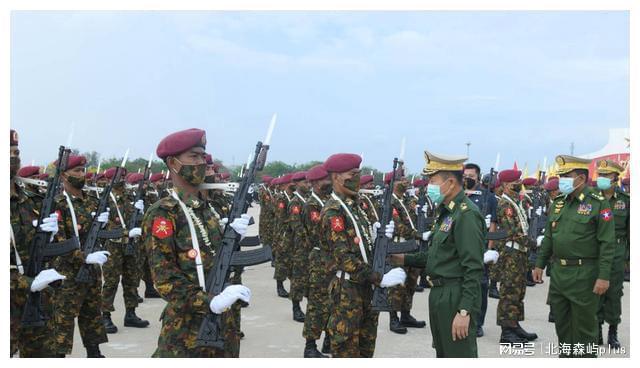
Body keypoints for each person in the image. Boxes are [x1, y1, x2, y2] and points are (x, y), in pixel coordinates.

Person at [141, 128, 250, 357]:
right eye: (194, 156)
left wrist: (231, 239)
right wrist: (209, 302)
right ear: (173, 163)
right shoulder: (164, 213)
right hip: (187, 331)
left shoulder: (205, 208)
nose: (201, 162)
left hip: (223, 323)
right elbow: (165, 280)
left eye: (203, 156)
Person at [391, 150, 484, 357]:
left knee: (459, 355)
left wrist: (464, 311)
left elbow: (473, 267)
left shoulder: (465, 215)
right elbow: (436, 255)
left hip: (455, 295)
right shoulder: (446, 212)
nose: (429, 187)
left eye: (433, 181)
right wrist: (401, 257)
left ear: (450, 183)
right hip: (440, 294)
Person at [322, 153, 404, 358]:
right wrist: (381, 278)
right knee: (347, 351)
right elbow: (344, 258)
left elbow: (363, 248)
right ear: (336, 177)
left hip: (366, 287)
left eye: (358, 173)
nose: (357, 178)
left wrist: (379, 239)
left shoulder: (354, 206)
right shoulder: (334, 211)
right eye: (352, 174)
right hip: (347, 292)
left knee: (366, 349)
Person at [533, 155, 616, 357]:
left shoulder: (599, 204)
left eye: (565, 176)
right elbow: (550, 238)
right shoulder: (559, 203)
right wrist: (539, 264)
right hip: (559, 274)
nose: (561, 180)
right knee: (562, 325)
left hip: (584, 275)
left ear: (580, 178)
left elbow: (607, 243)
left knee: (585, 330)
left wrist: (604, 276)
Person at [10, 129, 66, 357]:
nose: (14, 157)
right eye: (7, 152)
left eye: (16, 151)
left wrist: (50, 238)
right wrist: (26, 283)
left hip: (38, 298)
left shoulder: (31, 198)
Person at [51, 155, 111, 358]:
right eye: (76, 171)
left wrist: (103, 227)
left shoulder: (92, 201)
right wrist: (83, 257)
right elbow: (59, 241)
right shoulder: (57, 203)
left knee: (92, 313)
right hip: (67, 271)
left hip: (92, 270)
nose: (81, 175)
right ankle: (59, 356)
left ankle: (94, 353)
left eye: (82, 170)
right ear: (63, 175)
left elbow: (97, 235)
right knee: (64, 318)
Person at [494, 169, 537, 344]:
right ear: (505, 185)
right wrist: (533, 243)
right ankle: (506, 331)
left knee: (519, 290)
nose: (519, 182)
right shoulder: (505, 205)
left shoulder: (515, 202)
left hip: (519, 252)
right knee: (509, 291)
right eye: (516, 181)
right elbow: (512, 231)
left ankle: (515, 325)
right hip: (511, 253)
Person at [595, 160, 629, 348]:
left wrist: (630, 258)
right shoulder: (592, 198)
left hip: (617, 251)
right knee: (596, 290)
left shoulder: (625, 200)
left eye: (606, 175)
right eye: (600, 174)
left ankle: (613, 331)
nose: (602, 178)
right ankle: (597, 330)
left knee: (614, 292)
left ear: (616, 177)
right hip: (596, 251)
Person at [463, 163, 497, 338]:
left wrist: (489, 249)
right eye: (465, 175)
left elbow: (493, 224)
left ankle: (477, 322)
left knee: (481, 286)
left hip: (480, 249)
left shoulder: (488, 197)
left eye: (471, 175)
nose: (468, 178)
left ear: (478, 177)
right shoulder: (459, 195)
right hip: (461, 249)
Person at [301, 164, 333, 358]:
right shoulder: (312, 205)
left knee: (332, 302)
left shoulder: (328, 201)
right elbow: (318, 233)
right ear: (314, 183)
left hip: (331, 259)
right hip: (320, 260)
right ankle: (310, 346)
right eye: (325, 179)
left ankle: (328, 341)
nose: (329, 182)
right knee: (317, 305)